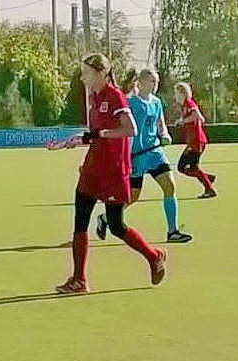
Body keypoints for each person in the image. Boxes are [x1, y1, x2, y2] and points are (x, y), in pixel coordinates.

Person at [46, 54, 168, 294]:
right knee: (80, 221)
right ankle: (79, 279)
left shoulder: (115, 96)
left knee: (116, 225)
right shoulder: (94, 97)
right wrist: (76, 140)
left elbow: (129, 129)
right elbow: (97, 134)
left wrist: (98, 135)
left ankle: (154, 256)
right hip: (93, 168)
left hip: (113, 171)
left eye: (86, 73)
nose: (83, 78)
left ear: (101, 73)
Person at [96, 69, 193, 243]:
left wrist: (165, 134)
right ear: (141, 83)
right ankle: (105, 217)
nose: (155, 85)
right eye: (152, 81)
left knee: (170, 186)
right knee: (133, 196)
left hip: (155, 153)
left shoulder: (156, 102)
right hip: (137, 156)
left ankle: (173, 231)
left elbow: (160, 123)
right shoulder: (130, 103)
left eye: (156, 82)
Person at [174, 82, 217, 198]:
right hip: (193, 141)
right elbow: (197, 118)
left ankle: (209, 187)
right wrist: (181, 121)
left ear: (182, 93)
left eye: (176, 93)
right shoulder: (184, 106)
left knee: (185, 167)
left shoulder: (189, 103)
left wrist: (183, 121)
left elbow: (198, 117)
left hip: (197, 141)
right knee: (185, 167)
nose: (175, 95)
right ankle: (206, 179)